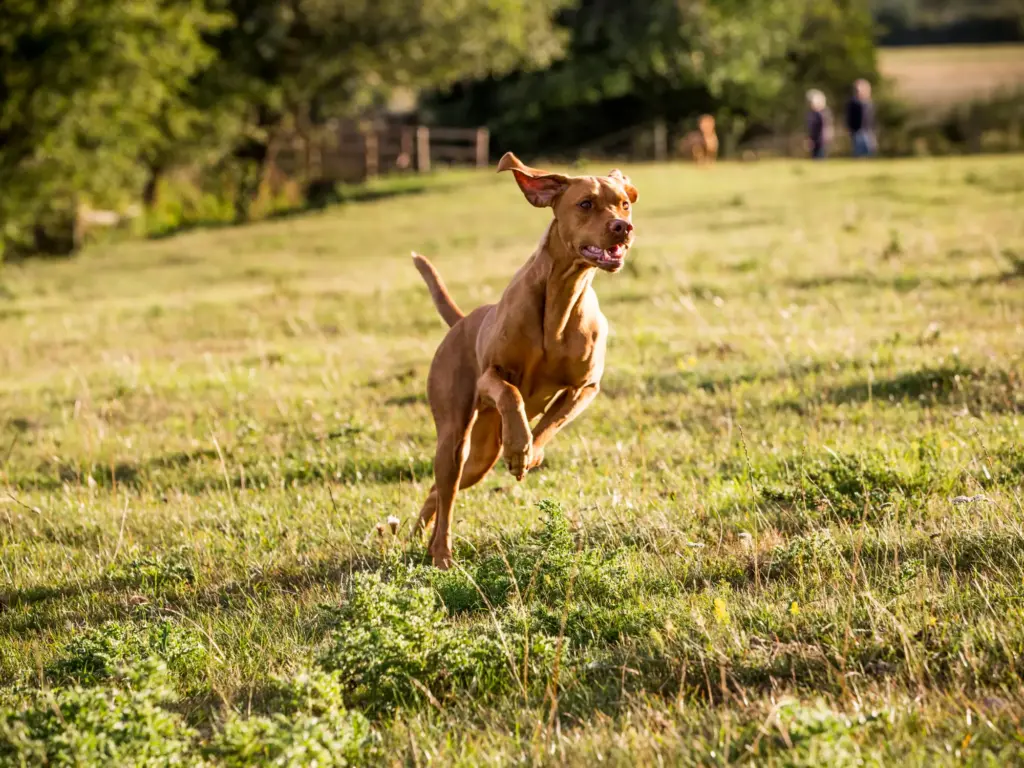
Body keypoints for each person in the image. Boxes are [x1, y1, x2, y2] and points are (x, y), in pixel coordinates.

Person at [846, 79, 877, 158]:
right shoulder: (853, 102)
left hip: (868, 130)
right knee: (858, 150)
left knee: (869, 150)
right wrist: (850, 128)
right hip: (857, 130)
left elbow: (871, 118)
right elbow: (850, 117)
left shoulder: (869, 103)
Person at [806, 89, 833, 160]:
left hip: (821, 141)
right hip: (815, 140)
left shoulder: (823, 113)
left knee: (820, 157)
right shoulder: (812, 113)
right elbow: (811, 128)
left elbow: (825, 128)